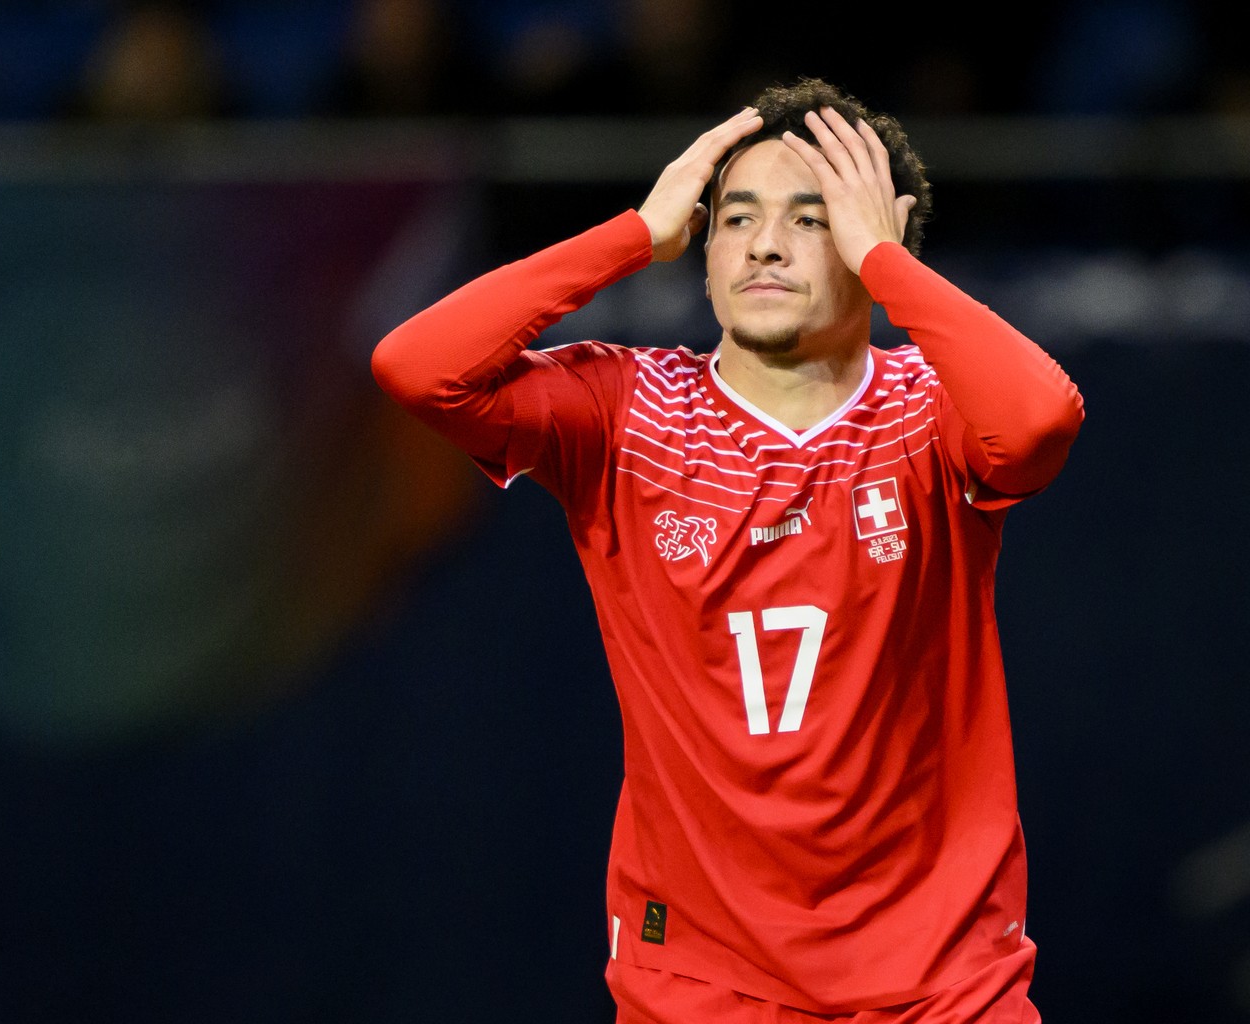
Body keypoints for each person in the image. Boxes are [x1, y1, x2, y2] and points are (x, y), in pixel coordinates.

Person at [370, 77, 1084, 1023]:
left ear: (876, 244)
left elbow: (1039, 423)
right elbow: (415, 367)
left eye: (813, 217)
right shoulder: (626, 409)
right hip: (703, 983)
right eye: (735, 217)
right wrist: (630, 237)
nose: (765, 244)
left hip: (942, 980)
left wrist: (888, 261)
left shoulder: (932, 409)